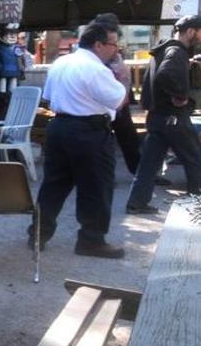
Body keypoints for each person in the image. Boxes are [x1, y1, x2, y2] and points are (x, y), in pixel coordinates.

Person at [28, 24, 127, 258]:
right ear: (99, 45)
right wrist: (122, 75)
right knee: (96, 187)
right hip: (88, 130)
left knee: (54, 185)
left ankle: (37, 234)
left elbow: (49, 97)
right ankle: (91, 240)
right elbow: (120, 101)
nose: (117, 50)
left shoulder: (62, 62)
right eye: (114, 44)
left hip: (61, 127)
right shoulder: (95, 69)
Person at [125, 15, 201, 213]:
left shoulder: (164, 49)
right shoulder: (176, 51)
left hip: (158, 118)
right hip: (173, 118)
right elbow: (165, 73)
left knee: (149, 164)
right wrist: (180, 95)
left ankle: (136, 203)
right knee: (196, 160)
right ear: (191, 31)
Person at [88, 13, 142, 173]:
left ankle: (138, 173)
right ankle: (106, 175)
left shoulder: (110, 37)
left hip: (116, 94)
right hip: (102, 96)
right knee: (105, 139)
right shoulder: (97, 37)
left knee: (128, 136)